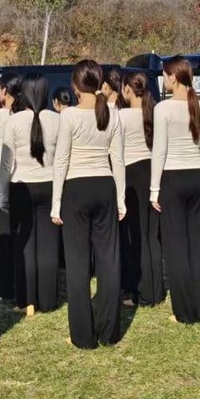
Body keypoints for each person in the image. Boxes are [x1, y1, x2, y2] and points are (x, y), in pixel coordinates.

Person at [51, 59, 126, 349]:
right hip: (104, 186)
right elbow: (117, 159)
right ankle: (109, 332)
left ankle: (82, 335)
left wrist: (56, 203)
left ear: (75, 84)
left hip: (76, 189)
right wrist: (120, 199)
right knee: (109, 261)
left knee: (78, 264)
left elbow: (61, 160)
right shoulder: (112, 113)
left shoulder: (68, 116)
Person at [151, 56, 200, 324]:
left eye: (165, 75)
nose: (164, 80)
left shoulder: (163, 109)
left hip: (172, 179)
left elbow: (159, 151)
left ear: (173, 77)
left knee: (176, 247)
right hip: (198, 178)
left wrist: (154, 188)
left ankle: (184, 312)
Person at [0, 73, 61, 315]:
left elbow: (6, 165)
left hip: (21, 187)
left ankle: (26, 300)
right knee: (49, 245)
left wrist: (2, 195)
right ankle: (48, 299)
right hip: (49, 185)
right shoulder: (57, 120)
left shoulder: (13, 122)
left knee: (24, 246)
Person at [118, 70, 165, 307]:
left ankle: (141, 292)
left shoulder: (122, 116)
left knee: (135, 237)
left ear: (127, 88)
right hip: (152, 172)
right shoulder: (154, 111)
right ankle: (156, 291)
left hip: (131, 176)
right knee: (152, 236)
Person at [0, 74, 23, 301]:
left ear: (3, 91)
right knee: (18, 234)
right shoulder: (23, 116)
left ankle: (1, 285)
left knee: (0, 235)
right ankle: (17, 282)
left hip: (1, 174)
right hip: (20, 178)